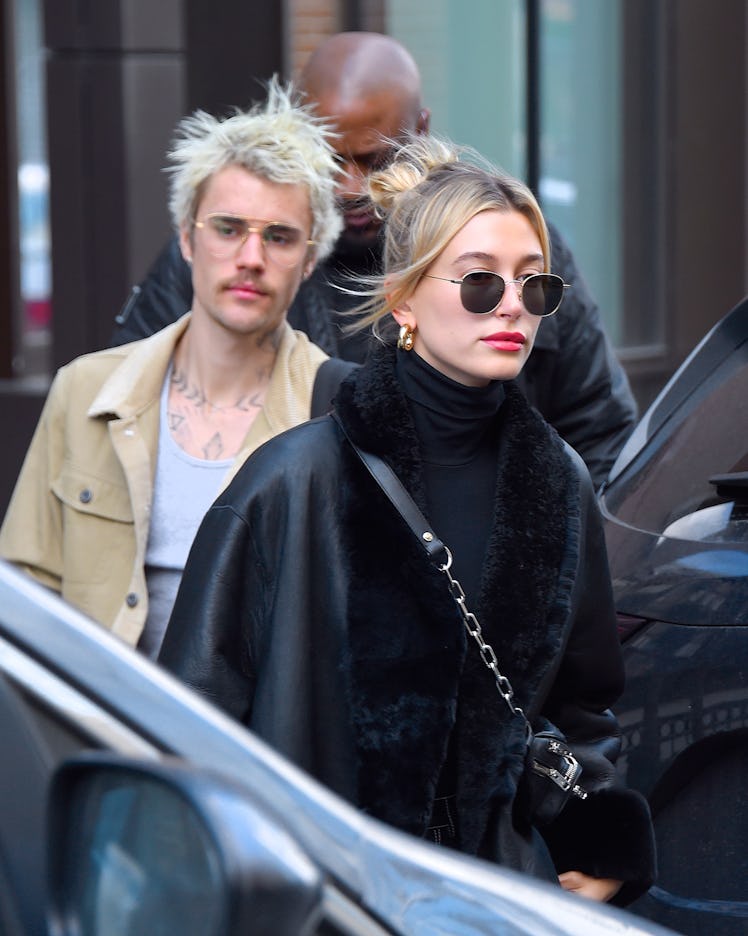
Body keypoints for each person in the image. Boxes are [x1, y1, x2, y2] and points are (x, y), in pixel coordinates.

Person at [159, 136, 656, 904]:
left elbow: (583, 704)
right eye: (481, 282)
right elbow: (192, 720)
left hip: (497, 897)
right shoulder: (293, 483)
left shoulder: (558, 482)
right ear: (404, 298)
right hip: (325, 897)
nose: (515, 306)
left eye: (535, 284)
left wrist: (597, 856)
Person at [111, 31, 638, 490]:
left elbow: (601, 432)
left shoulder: (517, 254)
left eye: (378, 158)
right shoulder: (236, 256)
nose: (352, 186)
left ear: (423, 130)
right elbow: (125, 407)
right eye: (330, 157)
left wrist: (556, 566)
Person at [0, 80, 342, 657]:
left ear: (308, 261)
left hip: (253, 743)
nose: (250, 258)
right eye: (228, 228)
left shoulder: (335, 412)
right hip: (102, 730)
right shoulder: (85, 390)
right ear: (186, 238)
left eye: (279, 237)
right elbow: (24, 598)